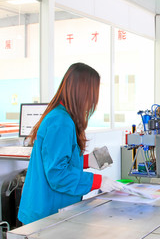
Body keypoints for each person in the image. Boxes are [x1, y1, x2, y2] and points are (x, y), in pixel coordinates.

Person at [18, 62, 124, 225]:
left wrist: (88, 161)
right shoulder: (61, 122)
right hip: (47, 214)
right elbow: (57, 174)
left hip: (48, 209)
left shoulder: (61, 116)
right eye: (93, 93)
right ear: (82, 92)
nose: (94, 100)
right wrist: (98, 181)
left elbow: (59, 160)